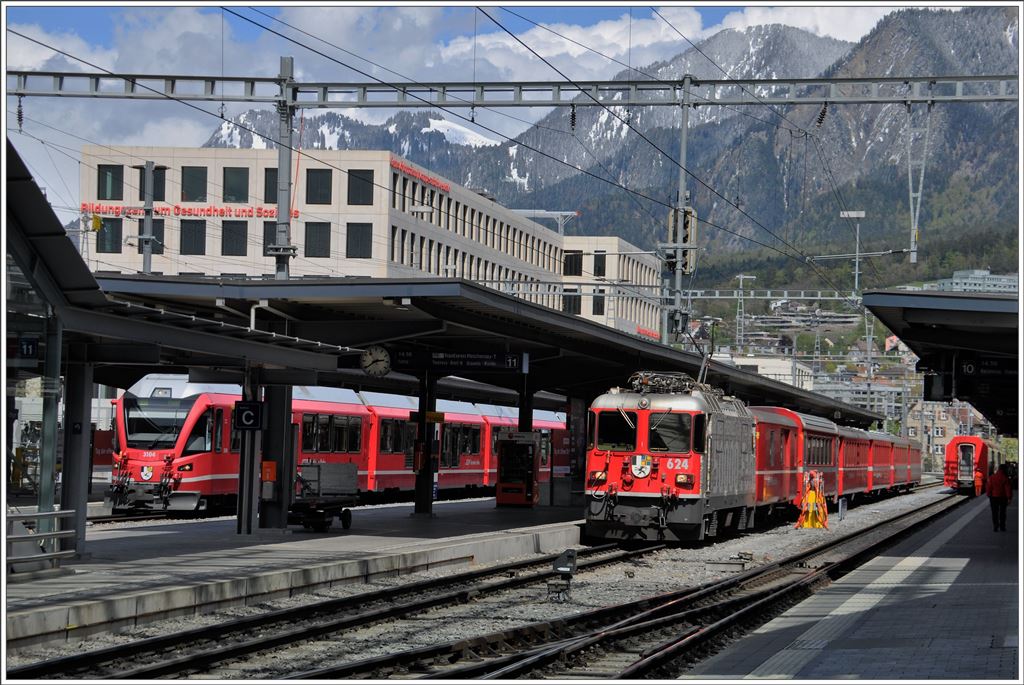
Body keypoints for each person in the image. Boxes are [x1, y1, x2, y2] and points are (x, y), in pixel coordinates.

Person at [986, 463, 1013, 532]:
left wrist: (988, 494)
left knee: (994, 512)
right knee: (1002, 512)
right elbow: (1008, 489)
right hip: (1003, 498)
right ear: (1005, 469)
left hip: (993, 498)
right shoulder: (1005, 478)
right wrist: (1009, 498)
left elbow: (989, 487)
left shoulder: (992, 477)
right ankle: (1002, 527)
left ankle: (995, 526)